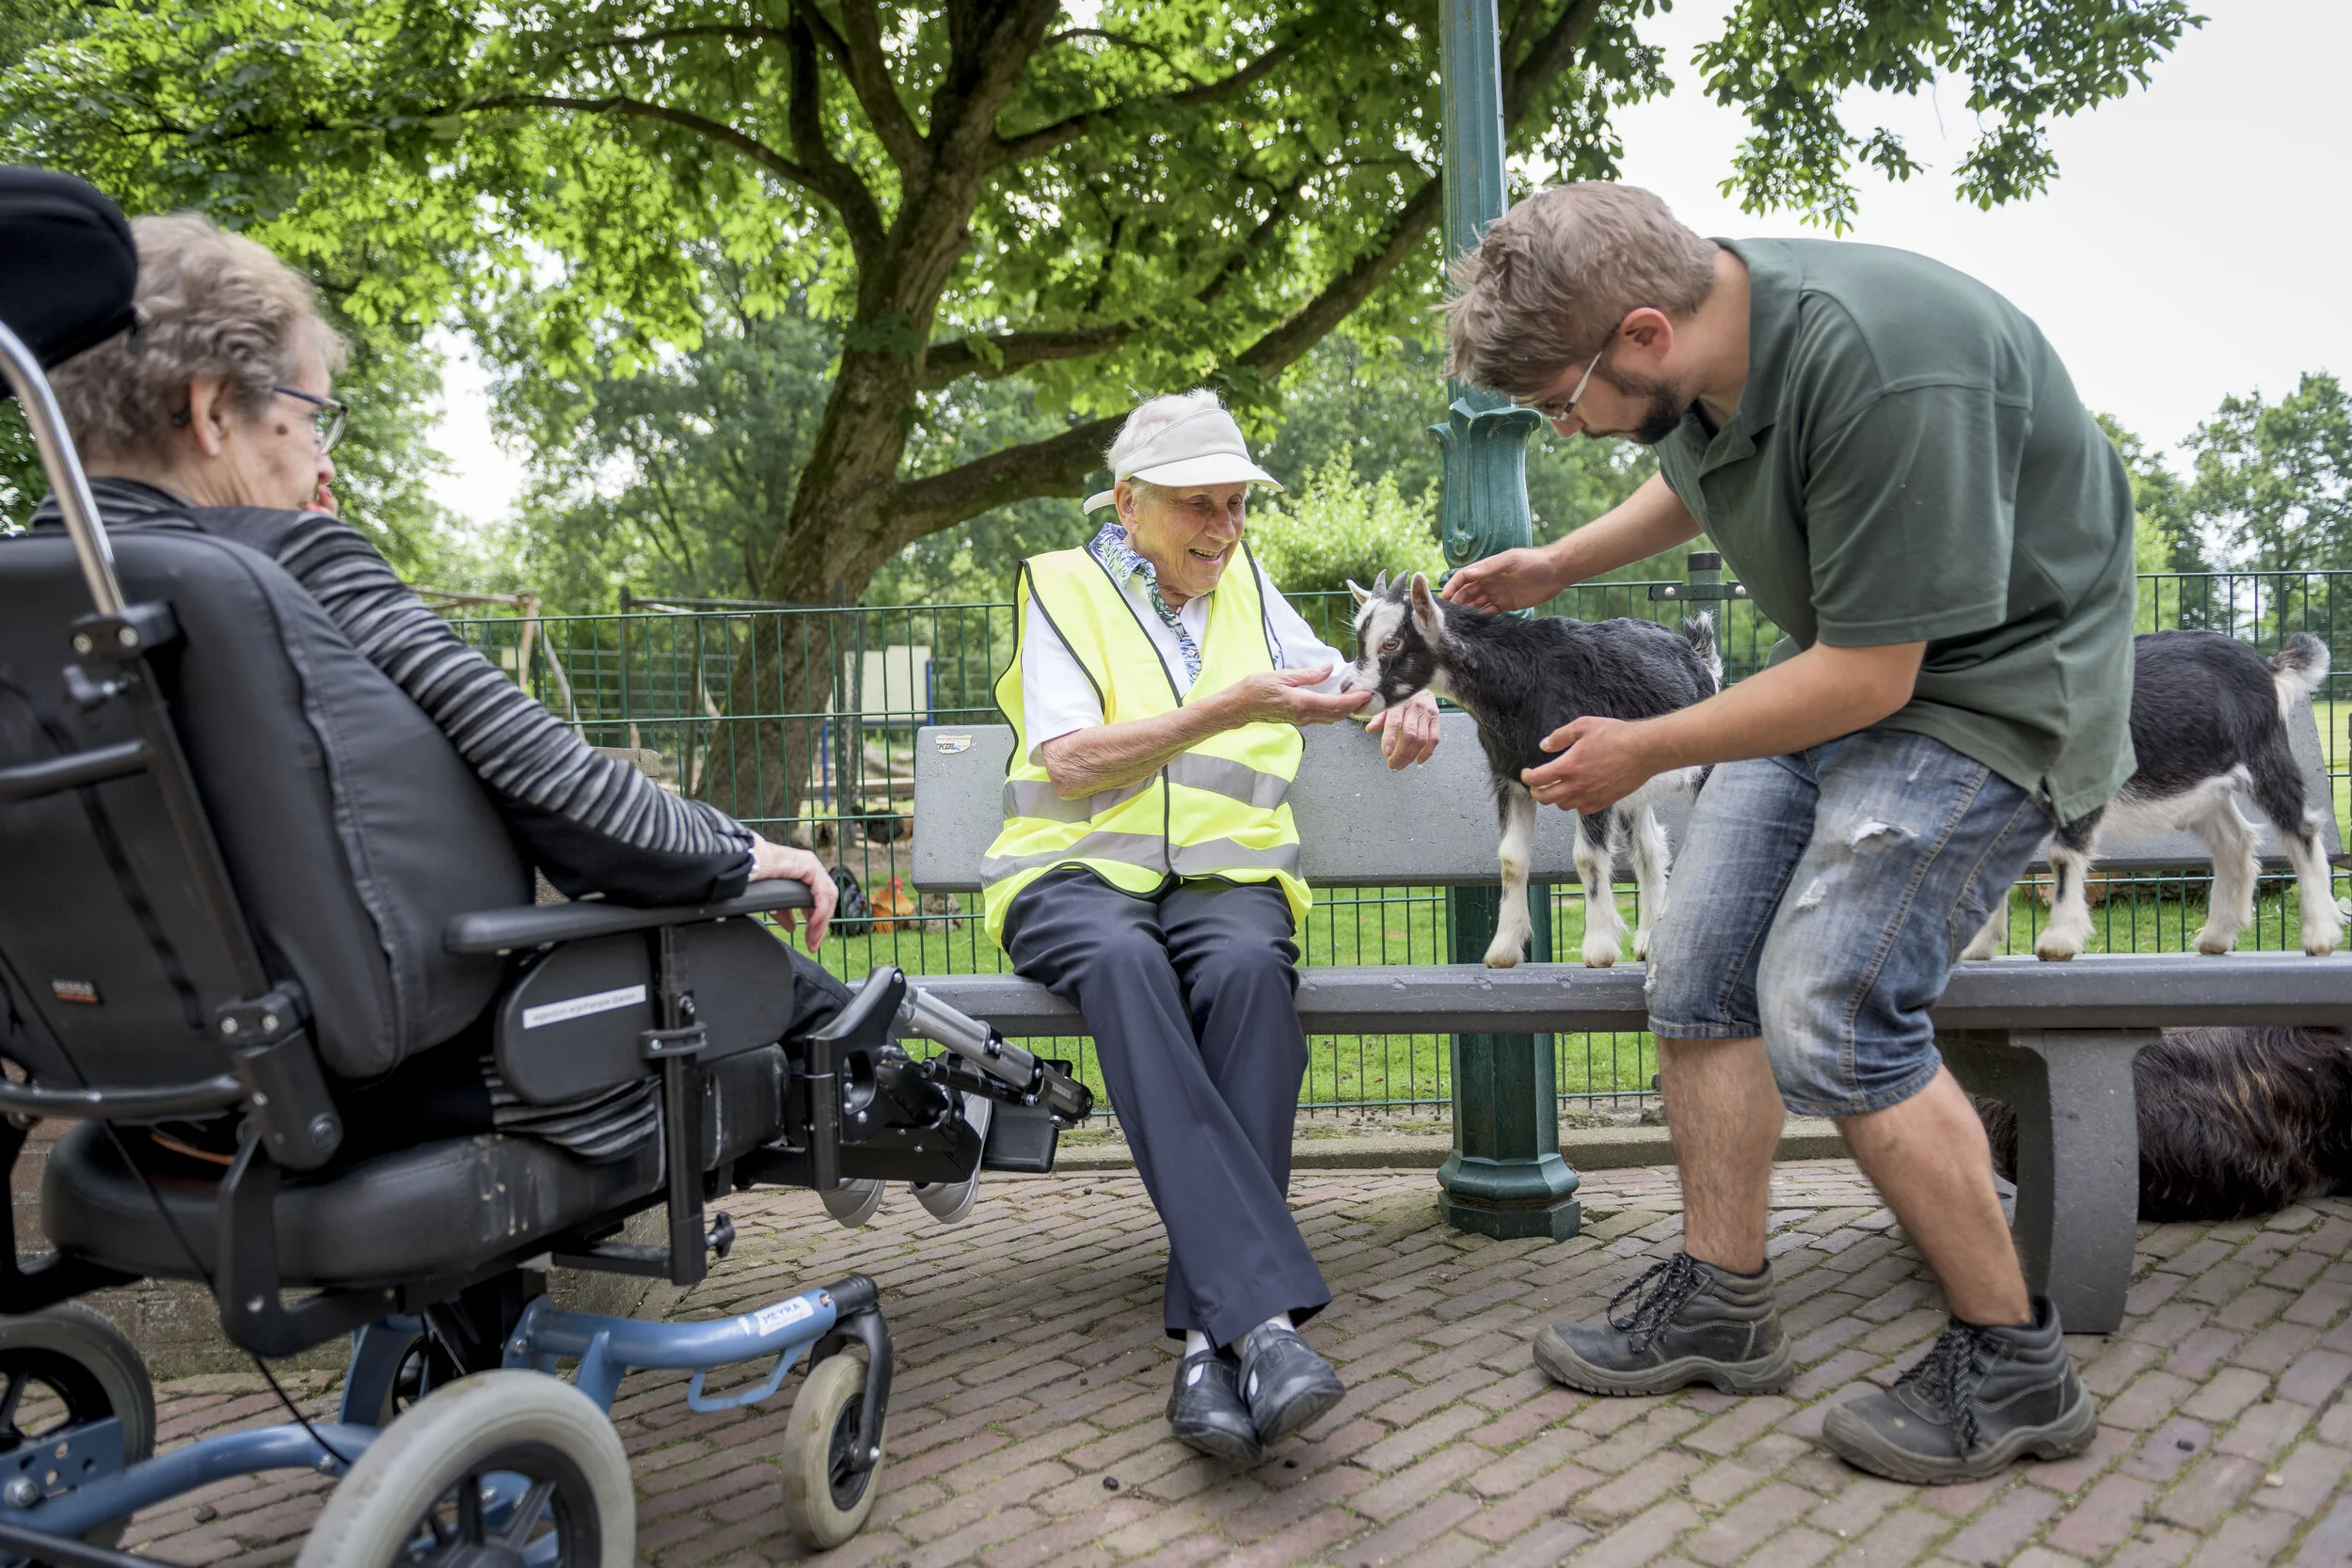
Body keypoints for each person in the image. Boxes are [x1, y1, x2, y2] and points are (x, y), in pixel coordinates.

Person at [1440, 183, 2133, 1483]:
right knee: (1697, 965)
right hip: (1850, 675)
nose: (1565, 425)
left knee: (1832, 1008)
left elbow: (1873, 675)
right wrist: (1558, 564)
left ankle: (2016, 1359)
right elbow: (1691, 478)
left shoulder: (1886, 369)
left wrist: (1646, 745)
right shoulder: (1710, 347)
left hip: (1989, 700)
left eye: (1560, 400)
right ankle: (1722, 1297)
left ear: (1642, 333)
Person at [29, 213, 869, 1178]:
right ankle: (922, 1098)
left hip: (134, 1086)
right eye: (311, 417)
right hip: (389, 1080)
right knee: (746, 963)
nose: (324, 460)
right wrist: (746, 851)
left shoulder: (31, 603)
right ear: (213, 409)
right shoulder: (284, 564)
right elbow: (577, 801)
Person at [983, 389, 1442, 1463]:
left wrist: (1408, 695)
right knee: (1121, 959)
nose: (1224, 528)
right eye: (1200, 504)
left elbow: (1345, 677)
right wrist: (1226, 708)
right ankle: (1263, 1327)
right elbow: (1069, 761)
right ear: (1128, 503)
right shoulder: (1061, 585)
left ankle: (1209, 1341)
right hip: (1072, 873)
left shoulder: (1249, 584)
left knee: (1246, 972)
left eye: (1237, 504)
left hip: (1225, 876)